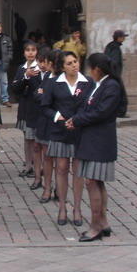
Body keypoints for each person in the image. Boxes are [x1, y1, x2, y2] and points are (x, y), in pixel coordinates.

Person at [67, 53, 125, 242]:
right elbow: (87, 105)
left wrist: (77, 120)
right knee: (95, 181)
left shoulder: (112, 86)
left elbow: (101, 112)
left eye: (89, 68)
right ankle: (103, 222)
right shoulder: (98, 85)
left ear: (97, 69)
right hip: (89, 138)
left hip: (100, 141)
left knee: (93, 182)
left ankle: (95, 225)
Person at [41, 51, 91, 228]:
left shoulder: (88, 83)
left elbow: (92, 106)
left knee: (78, 171)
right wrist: (57, 116)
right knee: (61, 169)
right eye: (69, 63)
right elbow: (45, 106)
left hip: (79, 131)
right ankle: (62, 207)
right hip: (60, 131)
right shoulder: (54, 83)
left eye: (75, 61)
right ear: (62, 67)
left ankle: (77, 208)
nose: (74, 65)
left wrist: (80, 120)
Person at [11, 41, 41, 182]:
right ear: (24, 52)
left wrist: (30, 77)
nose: (30, 52)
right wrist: (25, 76)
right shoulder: (21, 68)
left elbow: (39, 88)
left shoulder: (39, 68)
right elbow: (16, 88)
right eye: (28, 50)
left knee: (34, 139)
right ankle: (28, 164)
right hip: (24, 106)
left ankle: (37, 165)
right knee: (26, 138)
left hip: (35, 107)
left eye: (33, 50)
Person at [33, 48, 56, 203]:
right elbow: (38, 95)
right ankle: (46, 187)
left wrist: (43, 95)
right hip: (42, 119)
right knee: (42, 151)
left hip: (53, 121)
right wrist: (42, 95)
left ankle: (56, 187)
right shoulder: (47, 76)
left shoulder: (59, 78)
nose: (43, 65)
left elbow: (47, 97)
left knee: (52, 156)